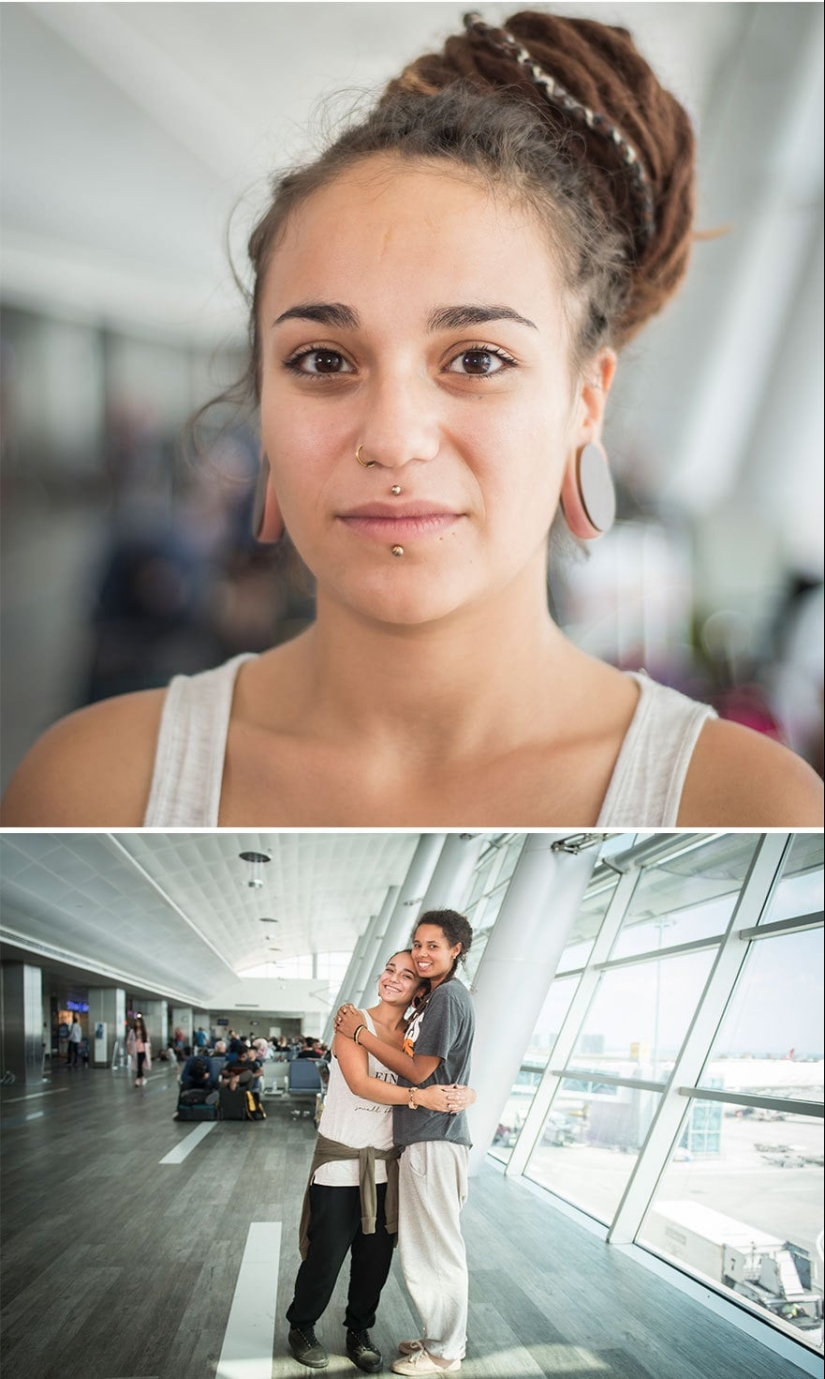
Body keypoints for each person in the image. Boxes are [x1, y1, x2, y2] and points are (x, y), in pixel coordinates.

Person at [3, 10, 822, 830]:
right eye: (323, 361)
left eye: (477, 360)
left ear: (585, 401)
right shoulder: (89, 790)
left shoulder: (750, 813)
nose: (393, 440)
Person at [287, 949, 473, 1374]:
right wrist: (419, 1097)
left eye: (406, 976)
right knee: (325, 1255)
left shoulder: (414, 1041)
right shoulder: (353, 1022)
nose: (392, 978)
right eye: (390, 969)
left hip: (388, 1167)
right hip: (341, 1162)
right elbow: (360, 1083)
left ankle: (359, 1330)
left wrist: (468, 1093)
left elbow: (444, 1076)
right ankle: (302, 1326)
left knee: (374, 1262)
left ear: (419, 991)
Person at [336, 912, 475, 1375]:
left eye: (433, 945)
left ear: (456, 949)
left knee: (434, 1252)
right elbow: (447, 1069)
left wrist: (360, 1034)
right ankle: (443, 1337)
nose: (422, 953)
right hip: (432, 1137)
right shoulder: (436, 998)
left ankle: (444, 1352)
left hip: (433, 1138)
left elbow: (418, 1072)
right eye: (418, 944)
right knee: (432, 1247)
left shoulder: (447, 997)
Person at [126, 1016, 151, 1087]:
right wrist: (129, 1050)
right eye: (136, 1022)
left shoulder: (145, 1032)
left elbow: (148, 1042)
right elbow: (128, 1041)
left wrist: (149, 1051)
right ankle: (142, 1078)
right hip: (135, 1050)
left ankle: (137, 1079)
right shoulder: (132, 1032)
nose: (137, 1023)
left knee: (139, 1065)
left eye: (139, 1022)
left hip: (143, 1050)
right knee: (138, 1065)